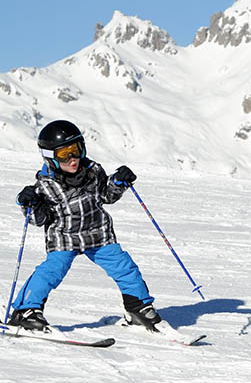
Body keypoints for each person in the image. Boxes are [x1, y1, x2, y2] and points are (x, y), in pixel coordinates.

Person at [8, 120, 164, 333]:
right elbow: (38, 219)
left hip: (98, 234)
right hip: (65, 237)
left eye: (76, 150)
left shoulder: (93, 171)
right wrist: (29, 204)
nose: (73, 159)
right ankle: (25, 312)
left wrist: (117, 183)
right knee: (51, 271)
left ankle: (138, 308)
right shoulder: (45, 185)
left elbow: (106, 196)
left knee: (124, 267)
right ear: (51, 157)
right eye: (64, 154)